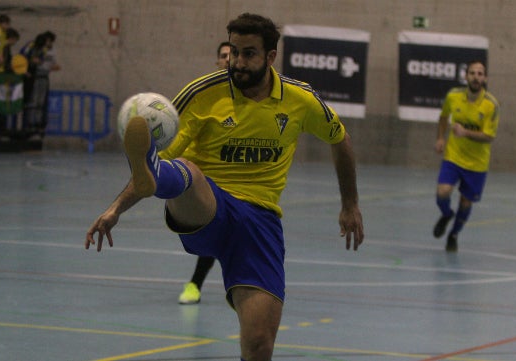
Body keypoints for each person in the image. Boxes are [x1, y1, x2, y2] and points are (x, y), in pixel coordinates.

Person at [86, 13, 364, 361]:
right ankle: (156, 172)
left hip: (260, 222)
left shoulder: (299, 99)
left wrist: (350, 204)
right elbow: (156, 169)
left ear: (270, 57)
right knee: (186, 170)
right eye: (233, 52)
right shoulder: (202, 93)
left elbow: (341, 139)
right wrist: (116, 209)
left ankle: (158, 174)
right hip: (208, 206)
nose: (237, 62)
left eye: (248, 53)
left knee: (260, 343)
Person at [177, 40, 232, 305]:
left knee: (225, 233)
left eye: (233, 54)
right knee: (211, 232)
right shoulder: (203, 96)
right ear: (217, 62)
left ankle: (195, 284)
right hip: (202, 177)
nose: (229, 59)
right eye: (223, 55)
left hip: (235, 179)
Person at [433, 60, 500, 252]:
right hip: (453, 157)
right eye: (472, 73)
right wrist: (440, 138)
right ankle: (446, 214)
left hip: (477, 164)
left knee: (465, 201)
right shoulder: (453, 96)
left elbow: (489, 136)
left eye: (480, 74)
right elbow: (444, 117)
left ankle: (453, 235)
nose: (476, 77)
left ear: (485, 78)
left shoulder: (491, 105)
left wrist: (465, 133)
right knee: (442, 192)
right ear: (466, 76)